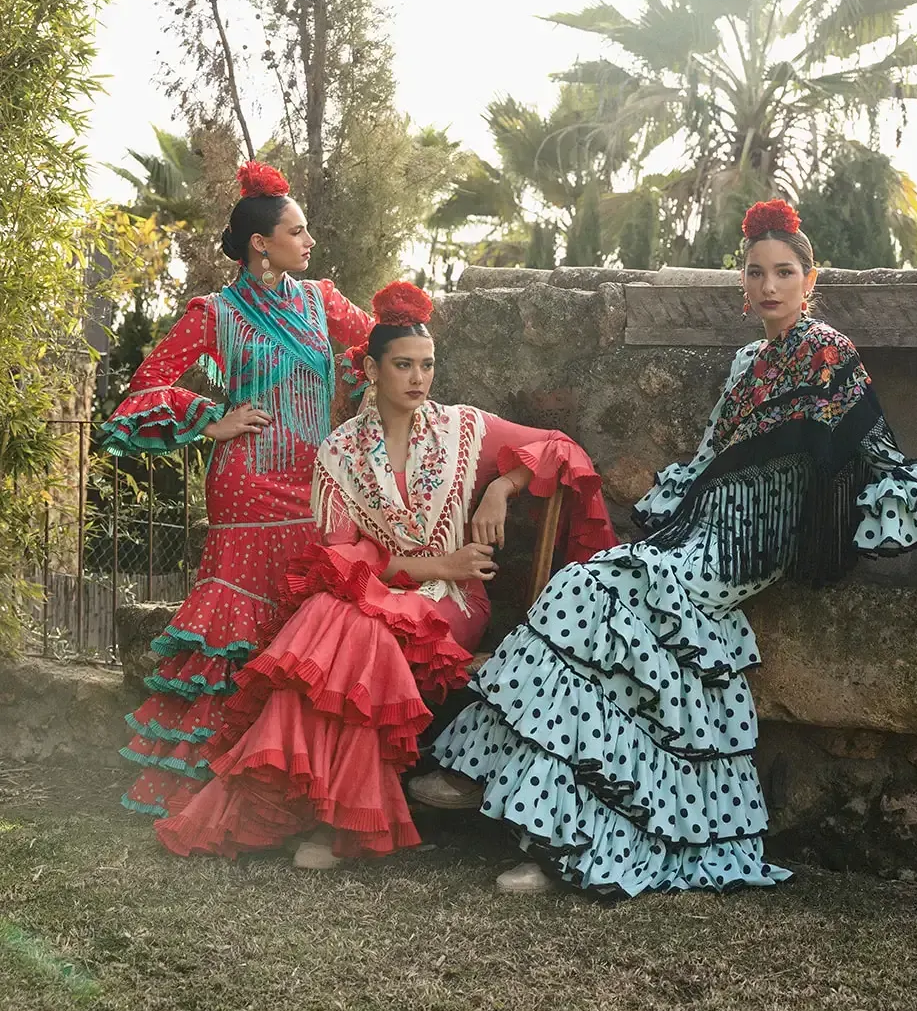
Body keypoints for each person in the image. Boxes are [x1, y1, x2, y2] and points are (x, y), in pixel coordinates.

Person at [409, 199, 917, 896]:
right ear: (742, 284)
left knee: (590, 590)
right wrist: (661, 543)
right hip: (698, 532)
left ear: (809, 279)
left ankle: (494, 783)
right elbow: (707, 462)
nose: (768, 286)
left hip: (751, 547)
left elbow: (883, 457)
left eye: (783, 272)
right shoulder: (743, 364)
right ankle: (555, 833)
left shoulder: (826, 353)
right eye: (755, 273)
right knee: (594, 608)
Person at [154, 282, 617, 868]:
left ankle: (329, 824)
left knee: (339, 627)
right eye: (404, 365)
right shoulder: (339, 453)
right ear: (373, 369)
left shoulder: (462, 429)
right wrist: (437, 561)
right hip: (384, 592)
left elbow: (559, 447)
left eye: (427, 365)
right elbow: (346, 560)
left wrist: (501, 486)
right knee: (338, 618)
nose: (419, 379)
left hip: (452, 602)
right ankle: (326, 814)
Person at [100, 162, 374, 819]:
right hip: (247, 487)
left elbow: (379, 348)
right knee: (237, 633)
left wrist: (356, 406)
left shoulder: (320, 301)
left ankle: (291, 780)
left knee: (304, 627)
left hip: (316, 487)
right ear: (261, 241)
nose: (308, 243)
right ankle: (212, 785)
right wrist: (209, 419)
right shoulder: (214, 314)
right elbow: (145, 386)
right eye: (297, 231)